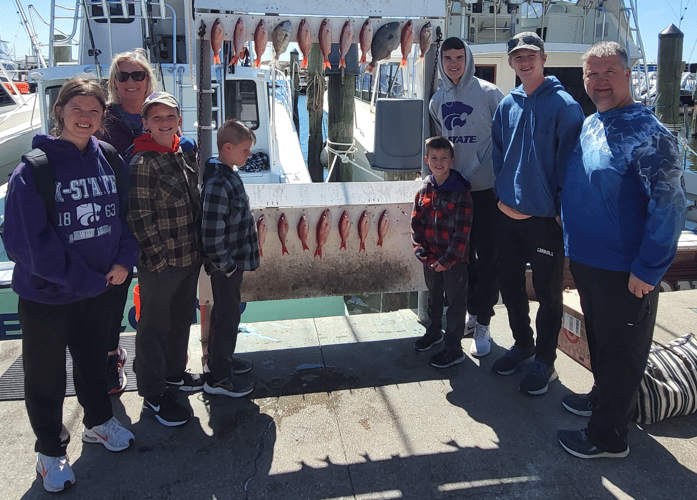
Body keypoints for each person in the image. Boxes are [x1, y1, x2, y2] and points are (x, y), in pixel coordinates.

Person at [3, 76, 137, 493]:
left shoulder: (111, 158)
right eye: (77, 109)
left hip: (100, 291)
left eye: (94, 111)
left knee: (96, 363)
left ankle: (97, 422)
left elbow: (125, 218)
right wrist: (87, 281)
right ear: (60, 111)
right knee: (44, 378)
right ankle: (49, 451)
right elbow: (27, 245)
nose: (85, 117)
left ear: (103, 116)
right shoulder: (33, 170)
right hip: (49, 297)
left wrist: (123, 260)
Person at [557, 41, 686, 458]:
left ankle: (608, 437)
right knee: (600, 340)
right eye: (591, 74)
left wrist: (648, 269)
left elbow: (669, 206)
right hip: (589, 260)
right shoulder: (594, 121)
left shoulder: (651, 134)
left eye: (609, 72)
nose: (599, 82)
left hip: (625, 269)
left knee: (623, 351)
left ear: (629, 75)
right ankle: (603, 397)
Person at [491, 32, 584, 395]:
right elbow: (498, 152)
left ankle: (545, 360)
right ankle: (523, 344)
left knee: (548, 294)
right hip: (507, 216)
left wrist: (562, 209)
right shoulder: (507, 105)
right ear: (511, 62)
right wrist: (502, 192)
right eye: (517, 56)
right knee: (510, 286)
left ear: (543, 58)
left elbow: (573, 164)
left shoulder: (565, 106)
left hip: (545, 220)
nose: (524, 61)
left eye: (531, 55)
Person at [127, 92, 203, 427]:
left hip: (189, 259)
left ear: (178, 120)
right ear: (145, 123)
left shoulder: (182, 153)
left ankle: (174, 374)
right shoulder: (142, 162)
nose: (164, 123)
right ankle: (154, 395)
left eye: (169, 116)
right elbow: (139, 218)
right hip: (162, 265)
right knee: (153, 329)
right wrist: (158, 261)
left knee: (181, 320)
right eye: (156, 118)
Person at [429, 37, 504, 358]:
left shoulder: (489, 94)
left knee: (487, 260)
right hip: (455, 194)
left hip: (487, 192)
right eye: (448, 58)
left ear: (468, 58)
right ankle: (469, 315)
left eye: (459, 57)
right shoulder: (436, 100)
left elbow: (508, 139)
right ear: (442, 61)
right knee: (461, 260)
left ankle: (484, 322)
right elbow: (437, 147)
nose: (454, 63)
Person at [97, 48, 157, 394]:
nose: (131, 82)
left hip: (155, 222)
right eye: (123, 76)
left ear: (148, 80)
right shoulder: (103, 119)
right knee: (112, 298)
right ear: (114, 83)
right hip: (116, 224)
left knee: (157, 297)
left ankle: (157, 361)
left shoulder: (160, 112)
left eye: (138, 75)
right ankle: (110, 358)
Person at [200, 119, 259, 397]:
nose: (249, 156)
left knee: (227, 314)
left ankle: (221, 360)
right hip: (226, 267)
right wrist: (228, 267)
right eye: (245, 151)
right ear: (227, 148)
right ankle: (219, 378)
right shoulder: (217, 184)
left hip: (231, 265)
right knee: (226, 316)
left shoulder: (227, 175)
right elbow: (211, 235)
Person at [411, 136, 473, 369]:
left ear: (452, 161)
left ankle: (453, 349)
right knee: (433, 298)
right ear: (427, 161)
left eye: (444, 158)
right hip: (431, 260)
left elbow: (463, 232)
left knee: (456, 304)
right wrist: (423, 254)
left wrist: (448, 260)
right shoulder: (423, 191)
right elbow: (416, 224)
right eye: (434, 158)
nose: (439, 163)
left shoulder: (462, 193)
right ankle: (433, 332)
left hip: (454, 262)